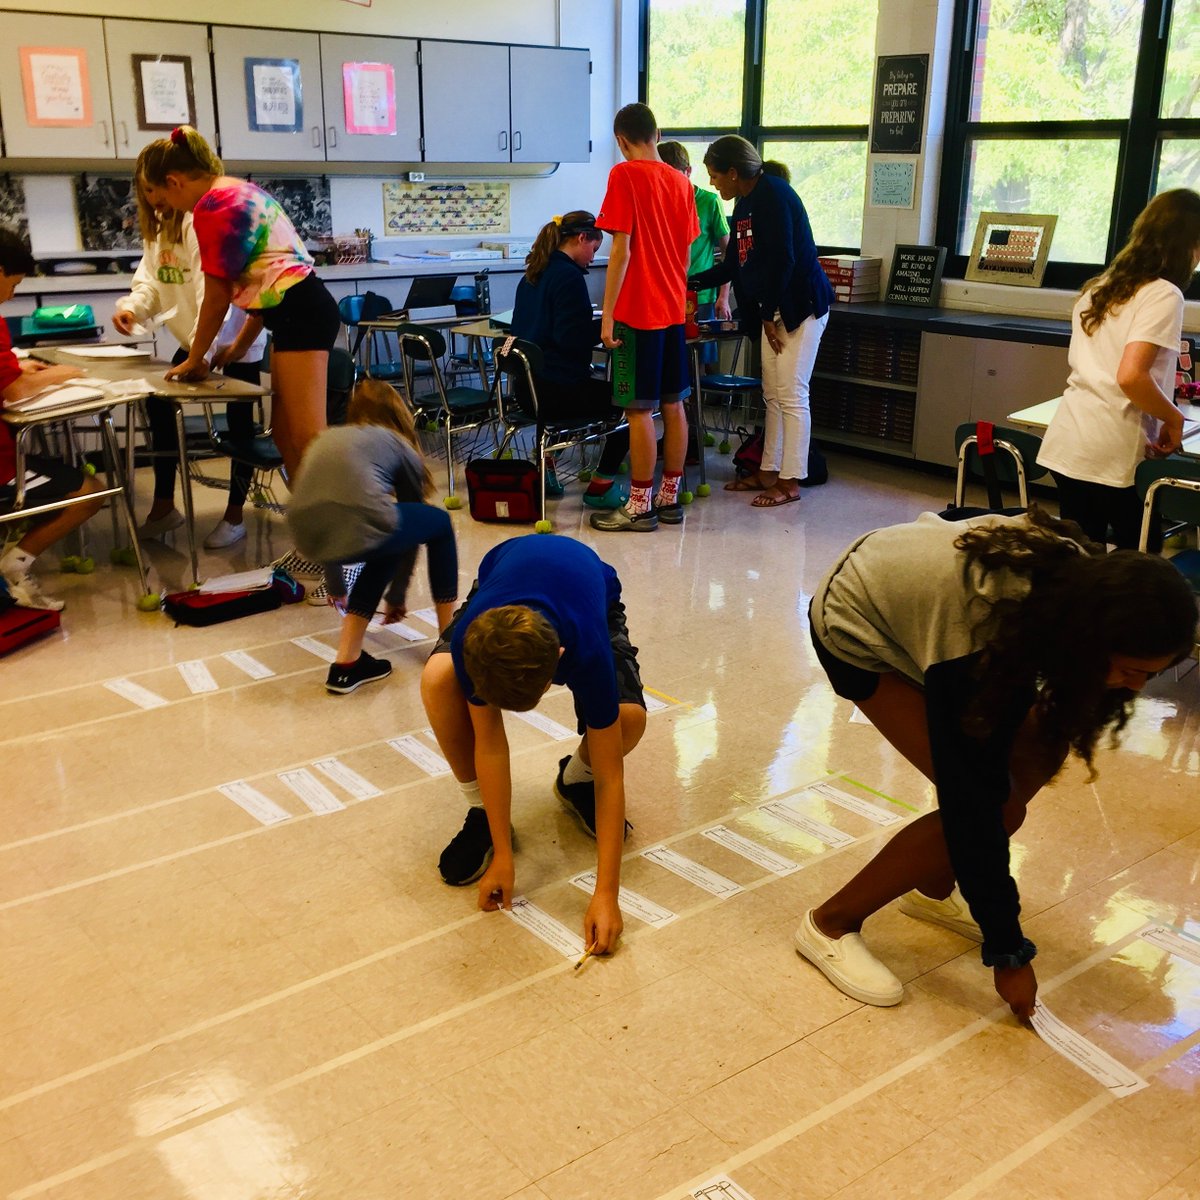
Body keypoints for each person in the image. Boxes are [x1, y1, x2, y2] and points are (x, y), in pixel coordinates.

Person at [795, 507, 1197, 1019]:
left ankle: (933, 888)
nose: (1139, 688)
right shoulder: (979, 629)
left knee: (1036, 751)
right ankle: (830, 923)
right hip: (856, 624)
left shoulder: (1083, 593)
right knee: (992, 807)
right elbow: (971, 800)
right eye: (1130, 671)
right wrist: (1008, 952)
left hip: (922, 612)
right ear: (1094, 640)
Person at [420, 535, 647, 954]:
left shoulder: (586, 649)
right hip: (502, 582)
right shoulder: (475, 644)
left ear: (560, 660)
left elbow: (612, 778)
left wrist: (606, 895)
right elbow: (489, 743)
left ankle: (574, 781)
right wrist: (504, 856)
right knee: (437, 678)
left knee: (627, 721)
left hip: (591, 598)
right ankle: (484, 813)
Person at [136, 126, 340, 497]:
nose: (162, 207)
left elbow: (217, 296)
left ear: (173, 181)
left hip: (302, 313)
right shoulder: (236, 190)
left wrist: (197, 358)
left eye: (161, 196)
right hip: (295, 311)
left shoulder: (212, 207)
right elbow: (264, 287)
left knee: (310, 437)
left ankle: (343, 542)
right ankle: (311, 528)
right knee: (283, 433)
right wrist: (235, 349)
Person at [1037, 188, 1200, 550]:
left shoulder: (1100, 287)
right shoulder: (1163, 294)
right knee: (1140, 562)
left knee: (1080, 559)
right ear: (1187, 244)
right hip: (1109, 450)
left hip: (1070, 441)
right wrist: (1173, 419)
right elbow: (1130, 376)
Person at [115, 167, 267, 550]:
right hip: (197, 340)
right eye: (146, 190)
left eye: (159, 188)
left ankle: (235, 516)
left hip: (235, 340)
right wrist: (133, 308)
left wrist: (207, 352)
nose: (155, 198)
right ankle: (164, 505)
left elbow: (214, 297)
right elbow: (150, 280)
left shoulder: (203, 223)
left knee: (239, 428)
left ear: (176, 182)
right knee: (160, 403)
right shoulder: (160, 229)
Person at [287, 379, 459, 694]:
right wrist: (397, 594)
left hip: (304, 534)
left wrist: (337, 586)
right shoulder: (396, 443)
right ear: (400, 416)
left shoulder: (330, 438)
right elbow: (410, 525)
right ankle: (448, 642)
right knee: (440, 525)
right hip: (360, 527)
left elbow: (326, 522)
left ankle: (346, 664)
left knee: (381, 538)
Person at [692, 136, 832, 509]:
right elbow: (734, 264)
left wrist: (769, 314)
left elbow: (784, 261)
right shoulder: (745, 203)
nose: (713, 183)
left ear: (734, 173)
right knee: (772, 394)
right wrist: (687, 280)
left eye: (715, 175)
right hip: (772, 312)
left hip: (800, 308)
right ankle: (768, 471)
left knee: (791, 394)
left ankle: (790, 482)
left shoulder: (774, 195)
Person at [589, 103, 698, 534]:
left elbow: (622, 250)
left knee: (638, 411)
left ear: (621, 140)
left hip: (637, 312)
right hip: (672, 310)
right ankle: (670, 499)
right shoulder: (681, 183)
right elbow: (686, 255)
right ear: (658, 133)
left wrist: (608, 315)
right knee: (674, 405)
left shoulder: (624, 175)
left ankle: (638, 505)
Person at [0, 231, 104, 611]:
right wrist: (65, 373)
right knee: (91, 492)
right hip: (1, 466)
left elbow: (8, 375)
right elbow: (16, 391)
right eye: (13, 283)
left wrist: (17, 367)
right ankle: (14, 566)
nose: (12, 294)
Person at [511, 210, 630, 509]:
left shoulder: (533, 273)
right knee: (630, 403)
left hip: (526, 392)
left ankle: (548, 464)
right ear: (580, 239)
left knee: (574, 384)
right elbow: (571, 338)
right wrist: (609, 327)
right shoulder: (570, 277)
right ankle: (601, 485)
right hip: (556, 393)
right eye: (594, 248)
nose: (593, 257)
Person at [657, 140, 732, 336]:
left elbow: (729, 253)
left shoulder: (709, 201)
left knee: (700, 357)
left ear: (688, 171)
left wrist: (723, 297)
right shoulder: (656, 202)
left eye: (673, 176)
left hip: (701, 295)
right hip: (664, 293)